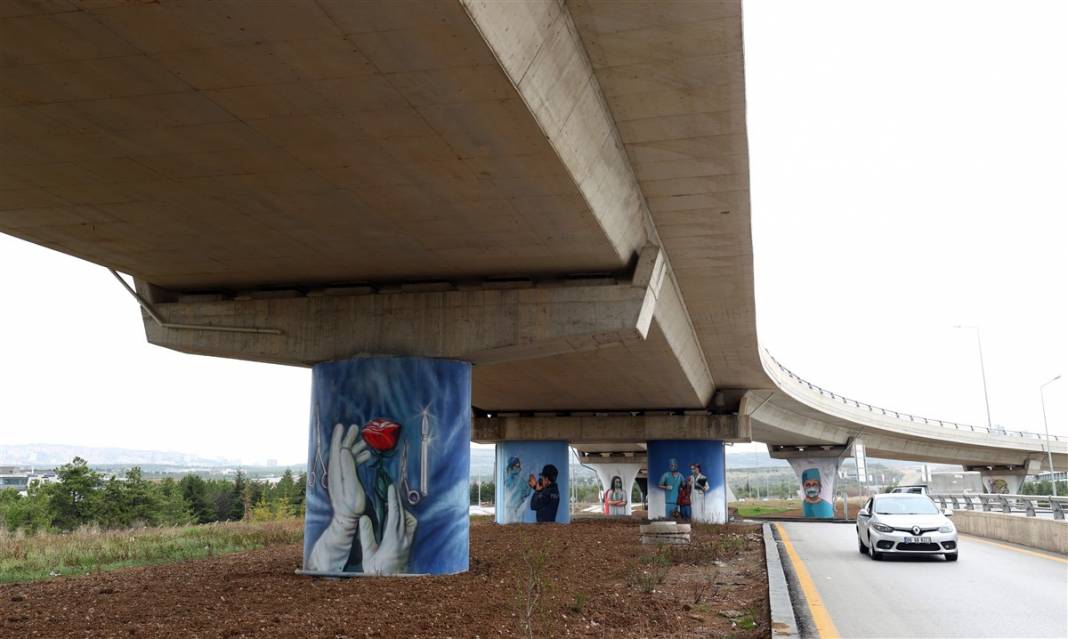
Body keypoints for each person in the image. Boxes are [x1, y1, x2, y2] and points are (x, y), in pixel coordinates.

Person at [503, 456, 532, 523]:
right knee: (516, 529)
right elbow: (527, 491)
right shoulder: (519, 480)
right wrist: (530, 484)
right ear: (512, 467)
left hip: (510, 507)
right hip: (517, 508)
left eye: (519, 465)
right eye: (517, 465)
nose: (519, 467)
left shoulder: (507, 479)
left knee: (509, 529)